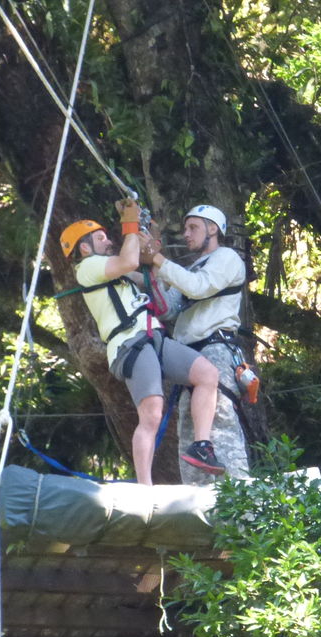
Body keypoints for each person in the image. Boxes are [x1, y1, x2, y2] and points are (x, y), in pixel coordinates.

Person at [60, 199, 226, 485]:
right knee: (151, 414)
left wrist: (148, 242)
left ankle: (202, 445)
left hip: (153, 337)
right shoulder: (87, 268)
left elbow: (143, 276)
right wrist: (130, 224)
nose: (108, 241)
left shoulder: (111, 270)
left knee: (207, 374)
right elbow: (128, 261)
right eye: (100, 238)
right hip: (130, 344)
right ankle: (145, 486)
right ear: (84, 248)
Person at [144, 204, 252, 485]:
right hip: (190, 356)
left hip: (216, 348)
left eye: (193, 227)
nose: (186, 234)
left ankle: (237, 493)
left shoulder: (226, 258)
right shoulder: (192, 269)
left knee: (220, 425)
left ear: (213, 228)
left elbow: (198, 287)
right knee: (188, 431)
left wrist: (159, 260)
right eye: (185, 228)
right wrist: (150, 270)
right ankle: (197, 494)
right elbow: (167, 309)